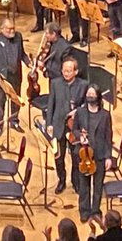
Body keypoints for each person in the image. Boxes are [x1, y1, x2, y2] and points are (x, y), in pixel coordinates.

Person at [46, 57, 92, 194]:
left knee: (75, 155)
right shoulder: (55, 83)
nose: (66, 73)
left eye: (69, 71)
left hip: (74, 126)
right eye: (64, 70)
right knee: (58, 157)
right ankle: (61, 180)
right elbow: (51, 104)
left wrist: (77, 111)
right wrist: (49, 123)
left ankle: (75, 182)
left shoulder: (84, 85)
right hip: (59, 124)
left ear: (76, 71)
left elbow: (87, 104)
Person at [72, 84, 113, 222]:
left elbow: (109, 136)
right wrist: (80, 137)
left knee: (98, 185)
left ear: (98, 96)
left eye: (92, 94)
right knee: (84, 185)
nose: (90, 96)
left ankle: (95, 210)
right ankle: (84, 210)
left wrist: (108, 157)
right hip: (84, 154)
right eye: (88, 94)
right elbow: (74, 130)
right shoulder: (80, 112)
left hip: (100, 154)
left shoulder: (105, 115)